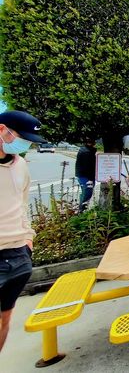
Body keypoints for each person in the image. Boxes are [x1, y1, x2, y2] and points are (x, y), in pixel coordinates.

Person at [0, 110, 45, 353]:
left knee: (4, 321)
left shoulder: (21, 166)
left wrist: (28, 237)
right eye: (21, 138)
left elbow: (23, 202)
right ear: (1, 129)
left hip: (18, 254)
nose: (24, 145)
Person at [75, 138, 97, 211]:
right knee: (87, 192)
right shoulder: (86, 152)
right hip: (86, 176)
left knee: (86, 192)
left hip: (84, 175)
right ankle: (81, 210)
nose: (90, 143)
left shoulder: (88, 151)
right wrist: (91, 178)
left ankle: (82, 209)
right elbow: (88, 166)